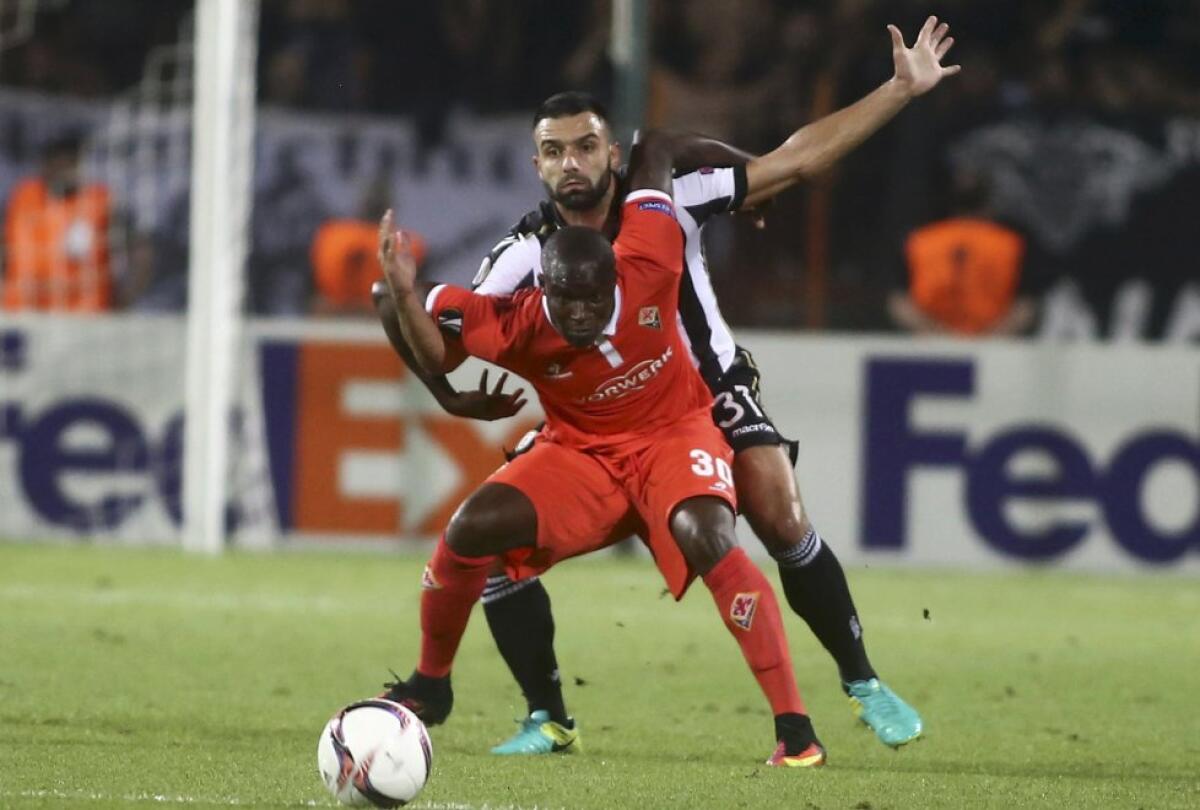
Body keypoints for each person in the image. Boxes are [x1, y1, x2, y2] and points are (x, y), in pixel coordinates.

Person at [376, 16, 960, 754]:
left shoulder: (664, 200)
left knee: (778, 515)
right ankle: (546, 714)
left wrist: (898, 91)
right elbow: (436, 321)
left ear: (611, 152)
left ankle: (862, 680)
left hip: (707, 388)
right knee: (489, 539)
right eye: (554, 152)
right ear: (537, 165)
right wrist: (444, 392)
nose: (571, 163)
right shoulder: (523, 255)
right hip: (594, 423)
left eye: (585, 146)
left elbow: (793, 162)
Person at [377, 128, 828, 767]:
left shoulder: (652, 256)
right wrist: (406, 302)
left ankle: (796, 731)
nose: (582, 312)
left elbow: (659, 148)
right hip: (582, 454)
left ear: (617, 281)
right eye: (566, 299)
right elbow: (393, 304)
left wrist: (754, 176)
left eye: (595, 297)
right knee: (470, 528)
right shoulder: (512, 320)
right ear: (543, 288)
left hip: (674, 434)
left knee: (708, 533)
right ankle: (431, 685)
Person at [889, 170, 1037, 336]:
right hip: (992, 343)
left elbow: (899, 303)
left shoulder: (920, 241)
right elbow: (1025, 306)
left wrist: (938, 335)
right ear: (988, 203)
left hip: (930, 343)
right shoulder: (1011, 244)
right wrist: (989, 339)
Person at [2, 133, 113, 312]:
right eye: (57, 163)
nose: (62, 170)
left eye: (70, 163)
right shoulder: (25, 196)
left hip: (82, 311)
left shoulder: (98, 199)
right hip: (23, 307)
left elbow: (130, 252)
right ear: (45, 164)